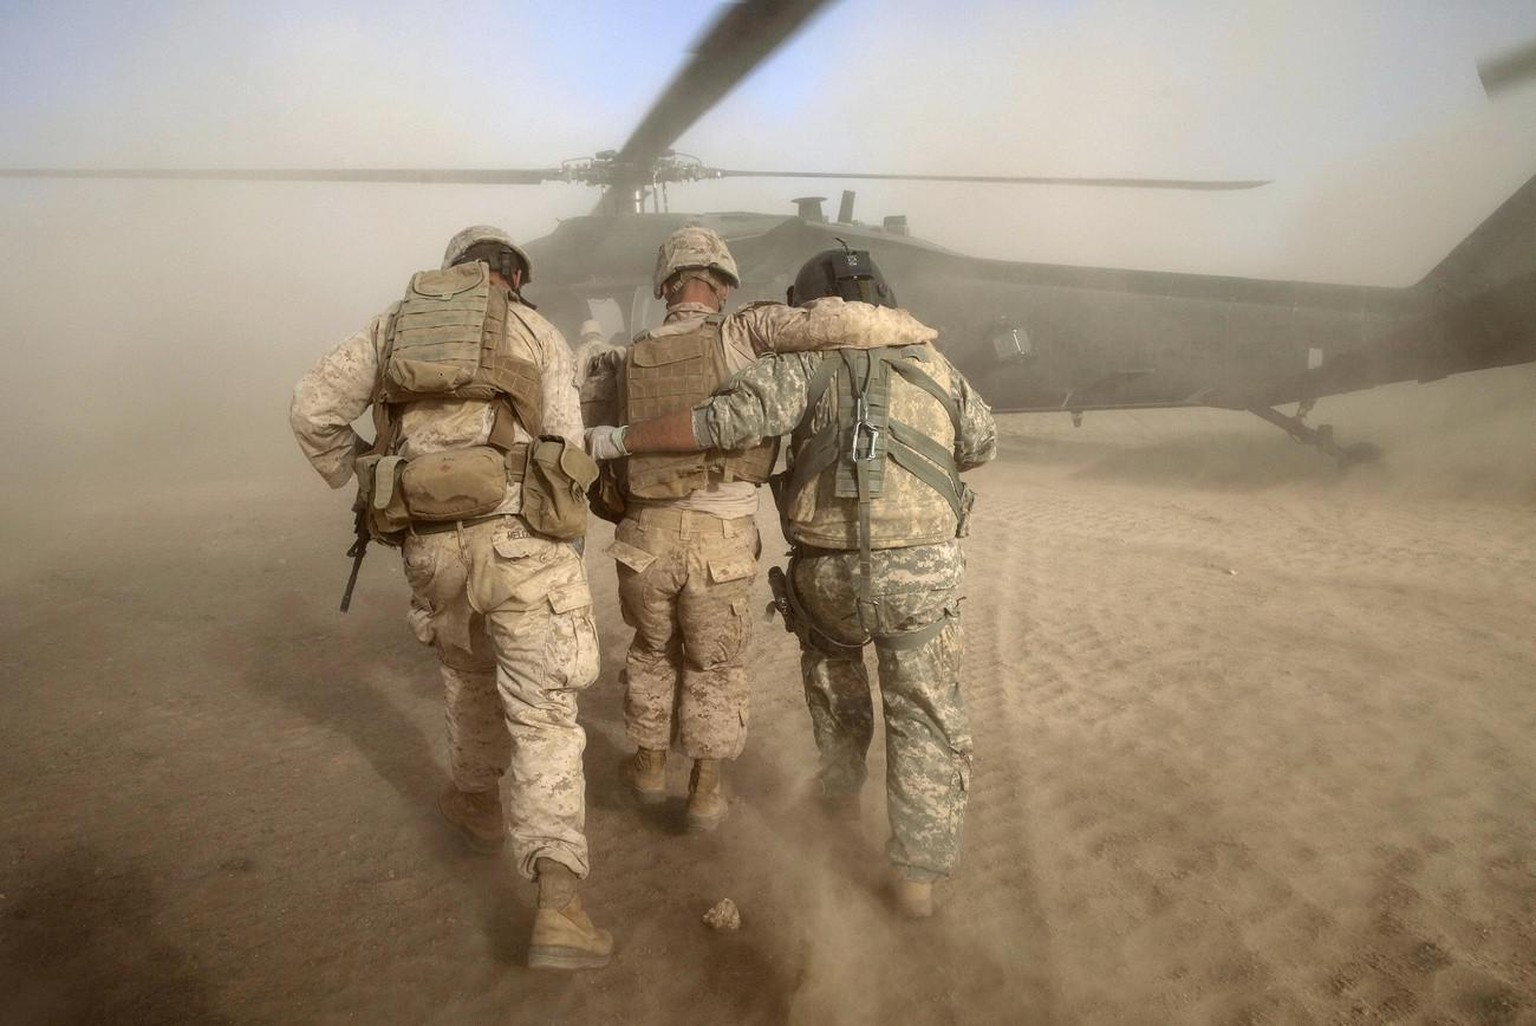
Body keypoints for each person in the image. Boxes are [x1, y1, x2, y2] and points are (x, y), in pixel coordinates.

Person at [585, 248, 997, 918]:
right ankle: (916, 880)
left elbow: (722, 424)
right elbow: (981, 444)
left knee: (837, 698)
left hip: (825, 569)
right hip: (922, 574)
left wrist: (619, 440)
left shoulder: (798, 366)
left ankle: (836, 811)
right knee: (923, 715)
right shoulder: (935, 363)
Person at [289, 225, 612, 970]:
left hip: (433, 549)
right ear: (514, 278)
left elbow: (312, 411)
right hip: (523, 546)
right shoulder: (538, 331)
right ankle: (559, 906)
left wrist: (369, 477)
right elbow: (568, 442)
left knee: (468, 683)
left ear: (453, 275)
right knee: (544, 717)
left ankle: (473, 809)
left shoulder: (392, 326)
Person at [583, 226, 776, 831]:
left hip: (647, 536)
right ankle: (706, 792)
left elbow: (592, 436)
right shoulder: (745, 348)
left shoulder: (628, 357)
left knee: (650, 652)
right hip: (721, 537)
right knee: (713, 664)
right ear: (722, 286)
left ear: (666, 286)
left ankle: (645, 768)